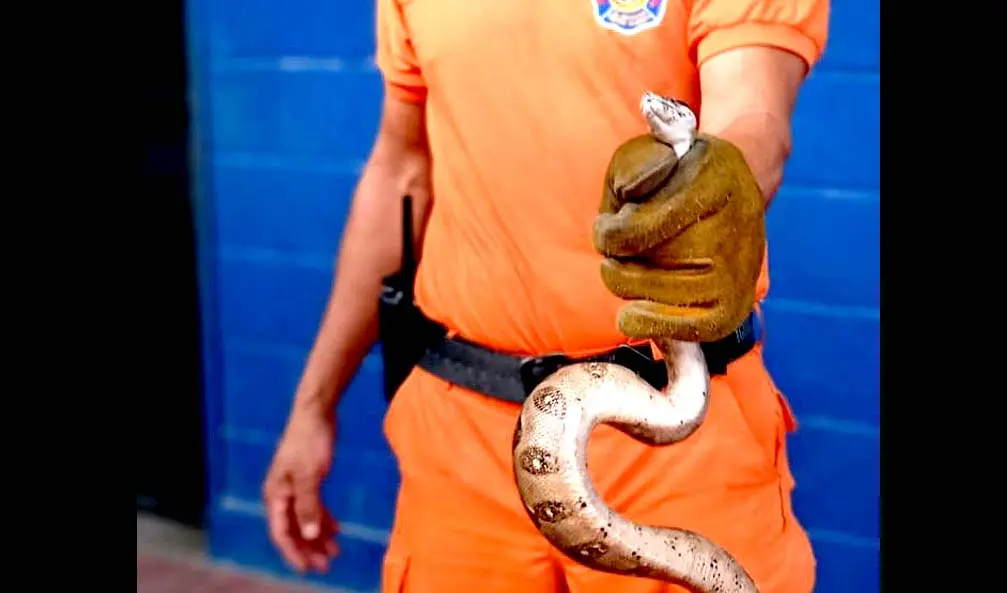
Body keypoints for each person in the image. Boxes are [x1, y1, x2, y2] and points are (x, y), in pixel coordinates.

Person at [262, 0, 830, 591]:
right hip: (460, 439)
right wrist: (313, 406)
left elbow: (754, 114)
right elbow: (402, 173)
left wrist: (723, 182)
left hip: (674, 427)